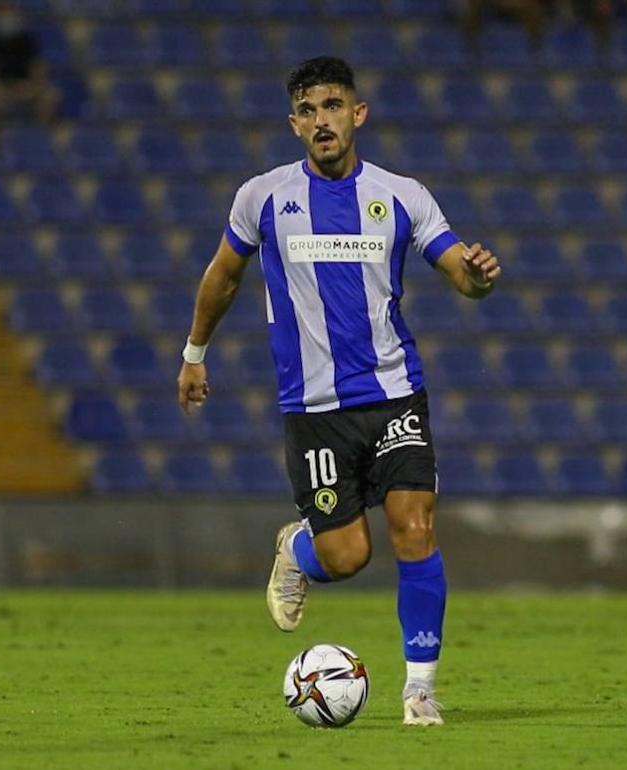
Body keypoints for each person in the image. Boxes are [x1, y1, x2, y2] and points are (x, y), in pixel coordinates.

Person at [176, 57, 502, 727]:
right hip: (314, 411)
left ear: (358, 114)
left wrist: (480, 278)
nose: (321, 119)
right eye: (307, 110)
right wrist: (194, 353)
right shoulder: (262, 197)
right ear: (293, 124)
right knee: (347, 555)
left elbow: (460, 276)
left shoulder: (403, 195)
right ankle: (299, 550)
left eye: (332, 105)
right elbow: (224, 276)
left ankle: (420, 690)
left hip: (394, 395)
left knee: (416, 528)